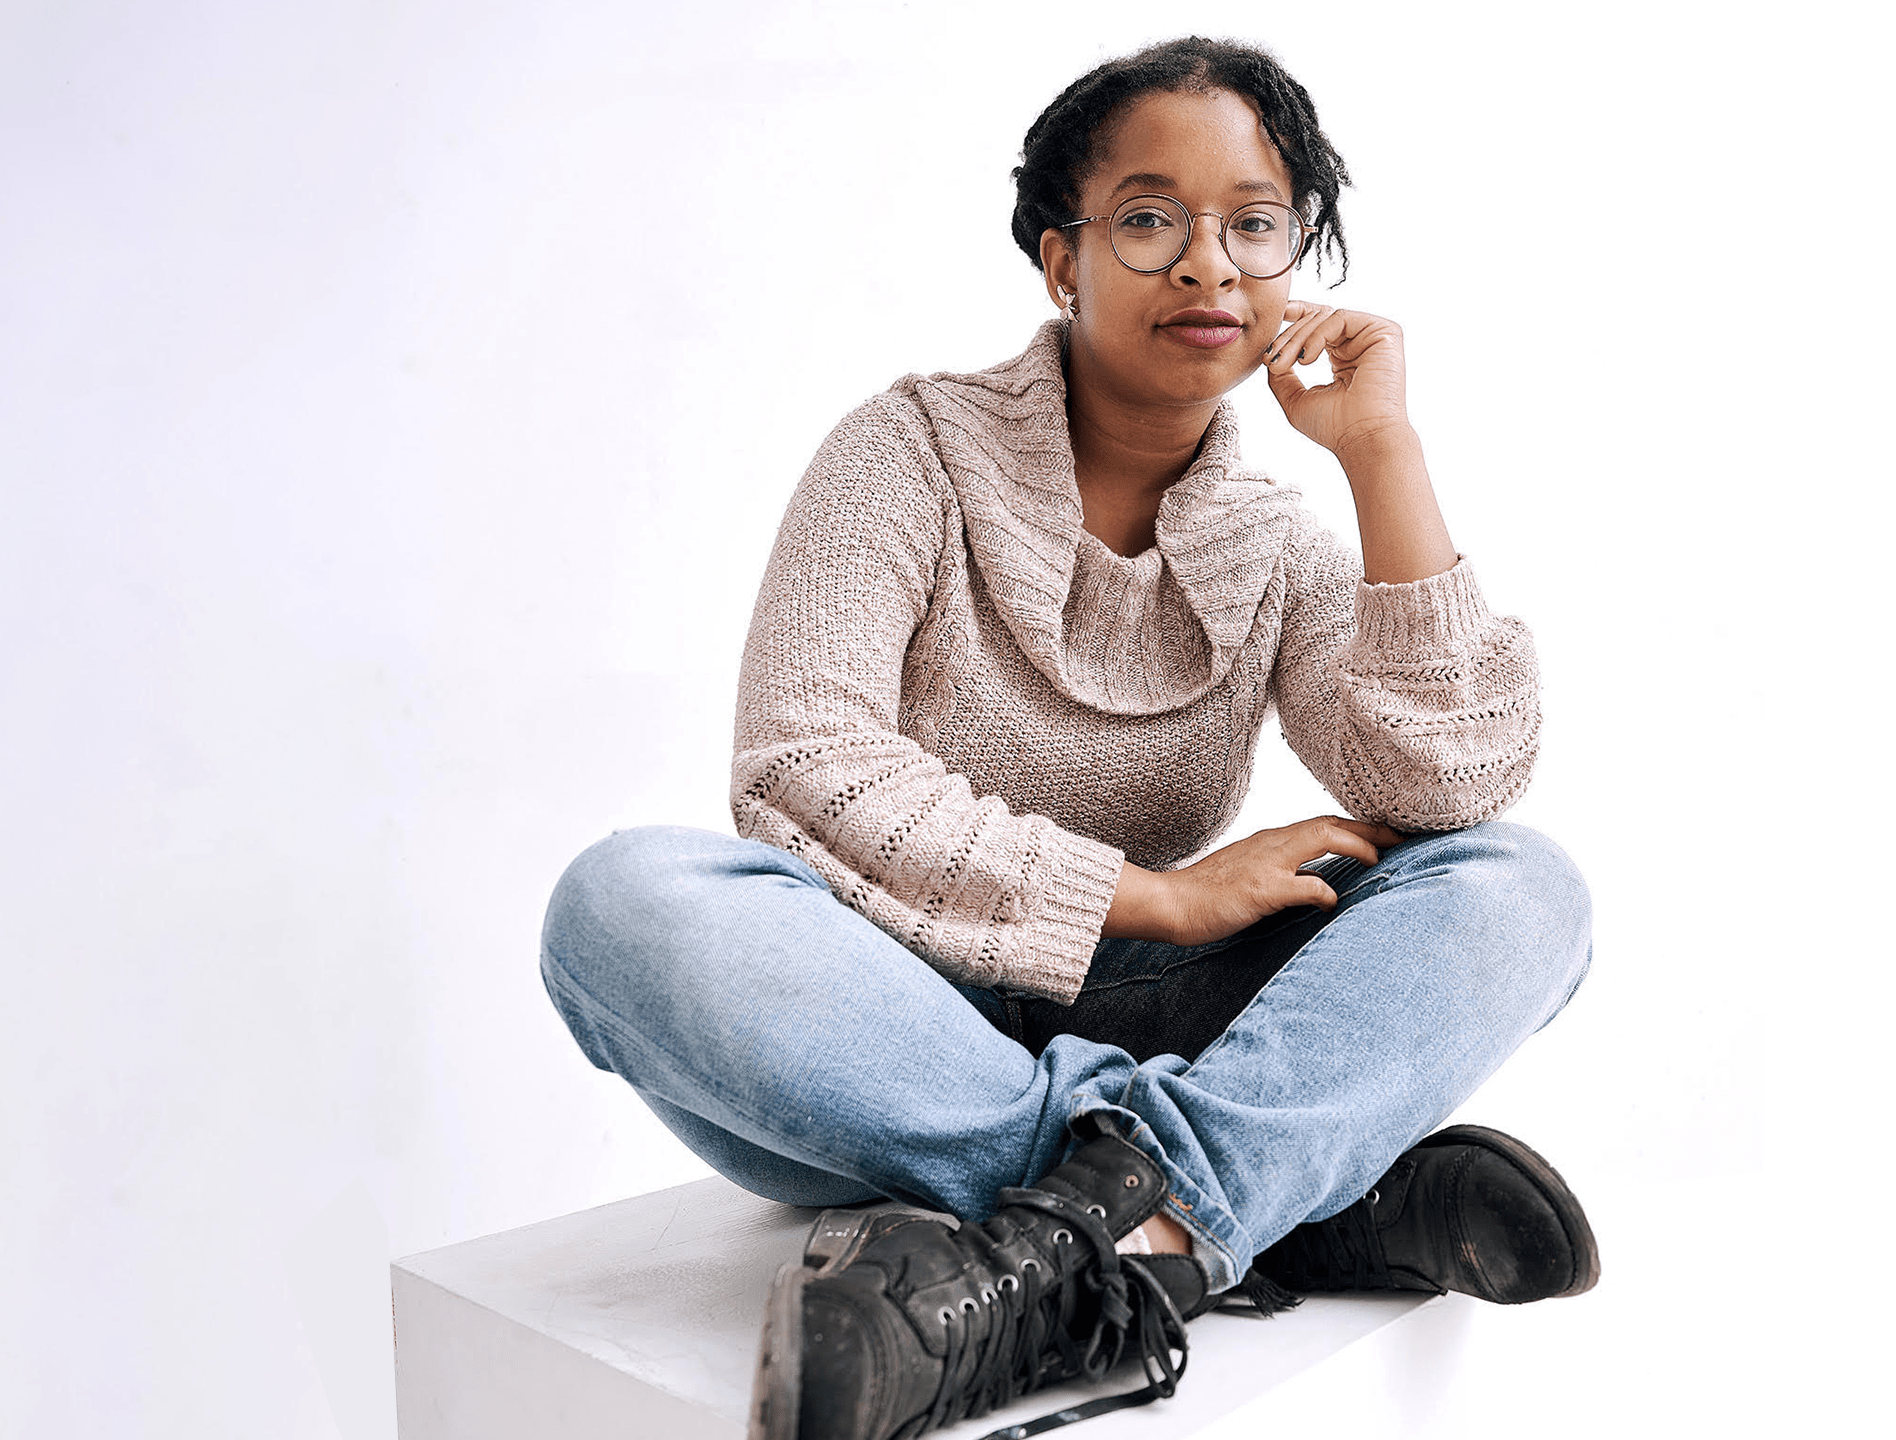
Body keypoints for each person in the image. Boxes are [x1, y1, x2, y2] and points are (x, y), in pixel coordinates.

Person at [539, 35, 1597, 1440]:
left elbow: (1449, 777)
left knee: (1523, 889)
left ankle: (1105, 1235)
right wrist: (1149, 894)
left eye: (1256, 224)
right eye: (1151, 218)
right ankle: (1277, 1201)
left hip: (1136, 1005)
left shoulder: (1271, 540)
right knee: (620, 909)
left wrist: (1381, 455)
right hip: (877, 1034)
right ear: (1062, 259)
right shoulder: (905, 450)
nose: (1208, 264)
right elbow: (799, 772)